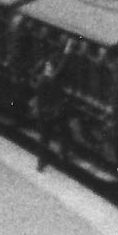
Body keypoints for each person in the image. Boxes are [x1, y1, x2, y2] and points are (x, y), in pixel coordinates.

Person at [33, 39, 75, 171]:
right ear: (47, 68)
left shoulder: (45, 79)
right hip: (50, 114)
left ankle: (43, 162)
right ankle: (59, 157)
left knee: (47, 138)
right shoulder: (46, 80)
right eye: (50, 67)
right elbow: (60, 70)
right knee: (57, 135)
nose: (51, 69)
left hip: (47, 114)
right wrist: (67, 52)